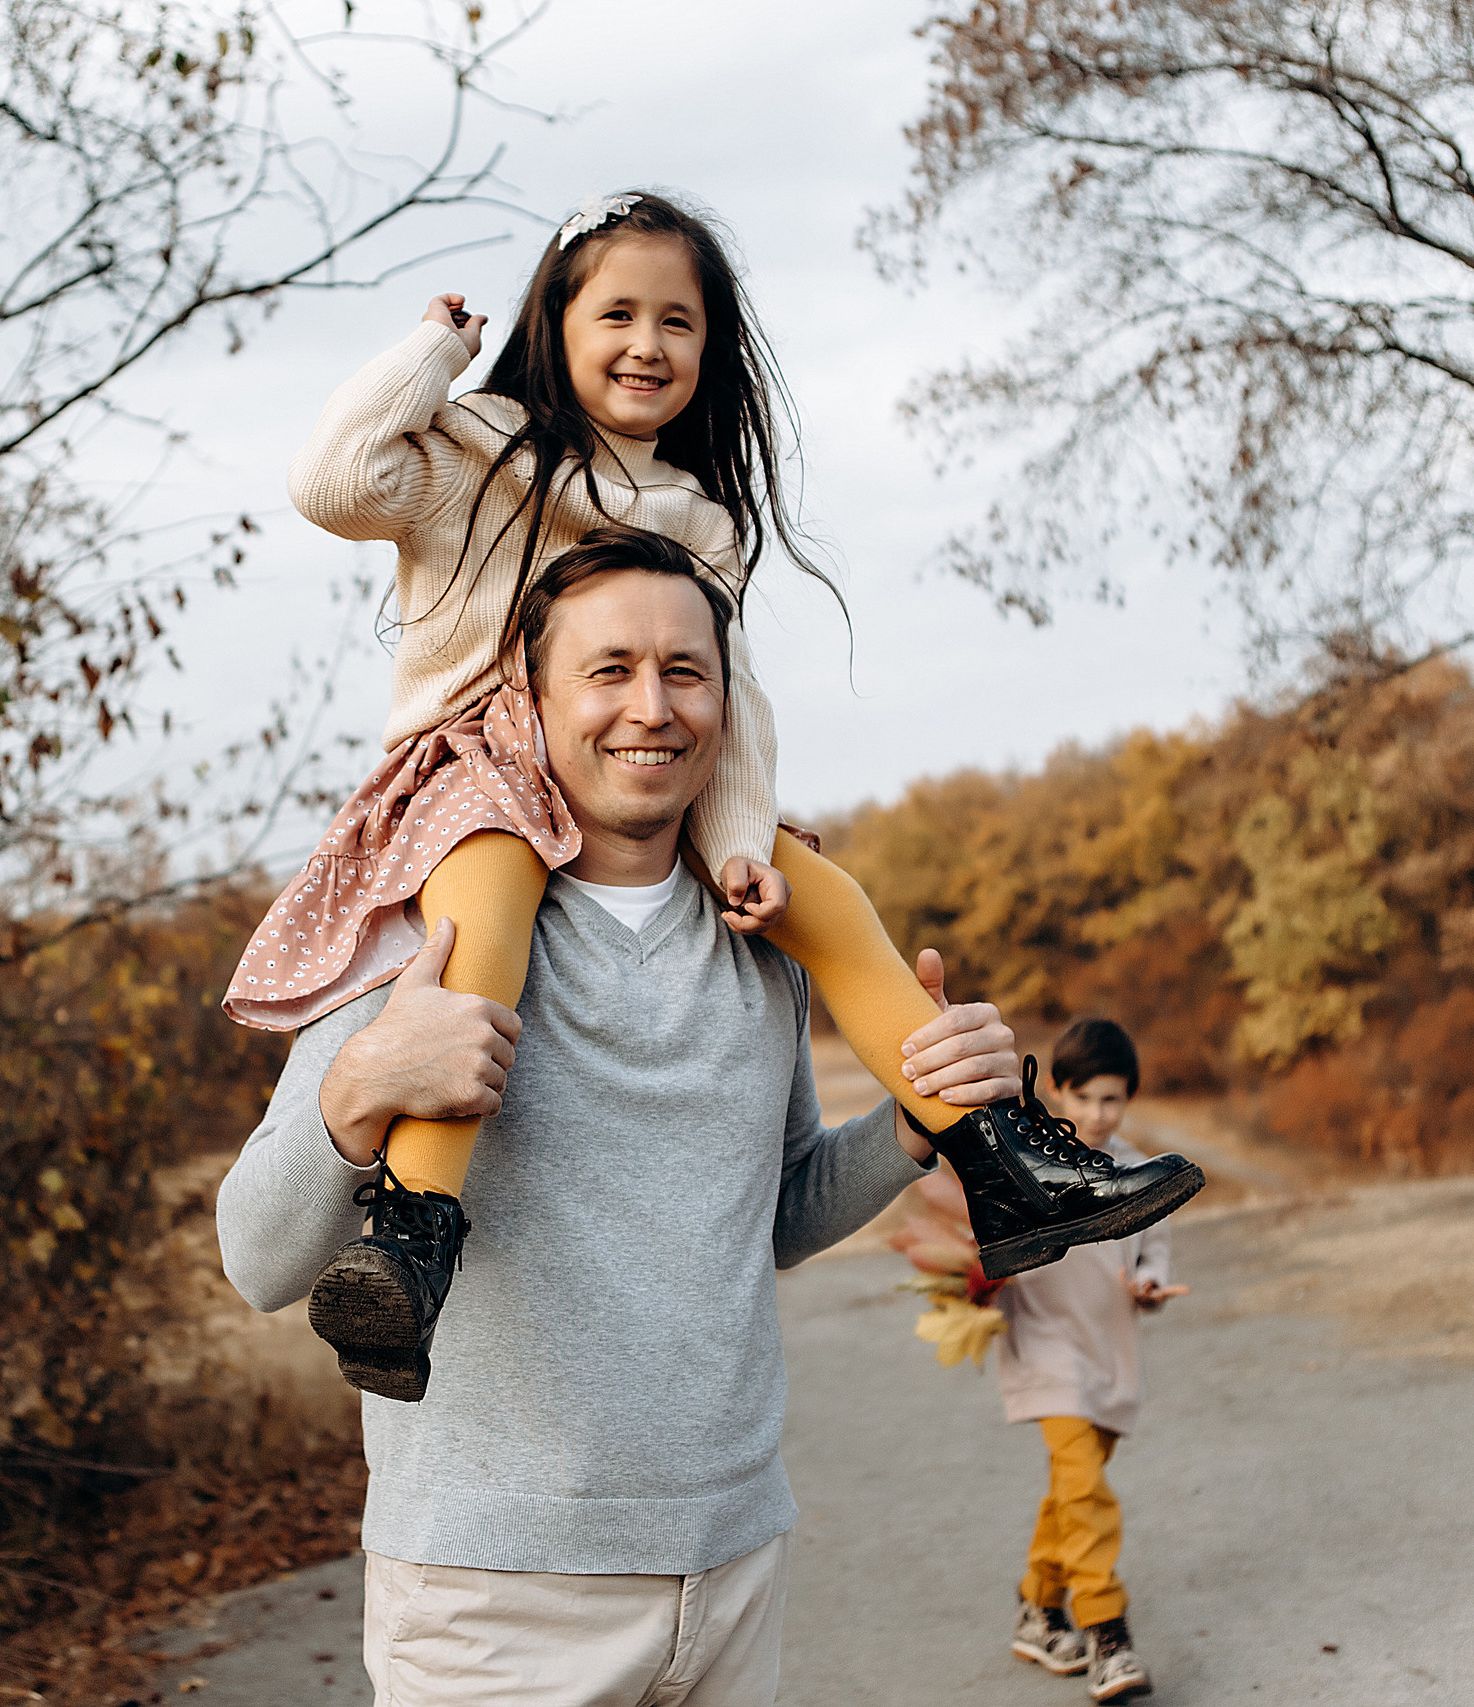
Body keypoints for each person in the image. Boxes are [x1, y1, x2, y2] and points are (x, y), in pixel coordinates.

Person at [224, 188, 1200, 1399]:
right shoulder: (474, 456)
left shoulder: (698, 521)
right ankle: (414, 1234)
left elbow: (731, 704)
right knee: (477, 924)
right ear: (555, 322)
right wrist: (432, 349)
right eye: (617, 313)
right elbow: (329, 481)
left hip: (642, 789)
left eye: (677, 320)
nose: (647, 343)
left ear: (710, 347)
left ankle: (993, 1153)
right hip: (477, 772)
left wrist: (741, 847)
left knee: (823, 893)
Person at [218, 540, 1030, 1704]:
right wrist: (360, 1086)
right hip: (490, 1596)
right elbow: (255, 1260)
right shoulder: (430, 929)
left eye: (684, 672)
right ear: (531, 699)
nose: (650, 708)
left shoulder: (766, 937)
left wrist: (914, 1127)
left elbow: (778, 1215)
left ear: (726, 700)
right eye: (607, 671)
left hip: (733, 1568)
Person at [996, 1020, 1190, 1704]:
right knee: (1086, 1494)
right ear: (1058, 1090)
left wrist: (1150, 1283)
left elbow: (1153, 1248)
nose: (1099, 1114)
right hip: (1049, 1351)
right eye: (1086, 1097)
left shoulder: (1139, 1168)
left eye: (1113, 1100)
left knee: (1069, 1492)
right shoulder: (1026, 1160)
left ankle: (1038, 1607)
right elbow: (983, 1242)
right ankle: (1108, 1631)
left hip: (1110, 1353)